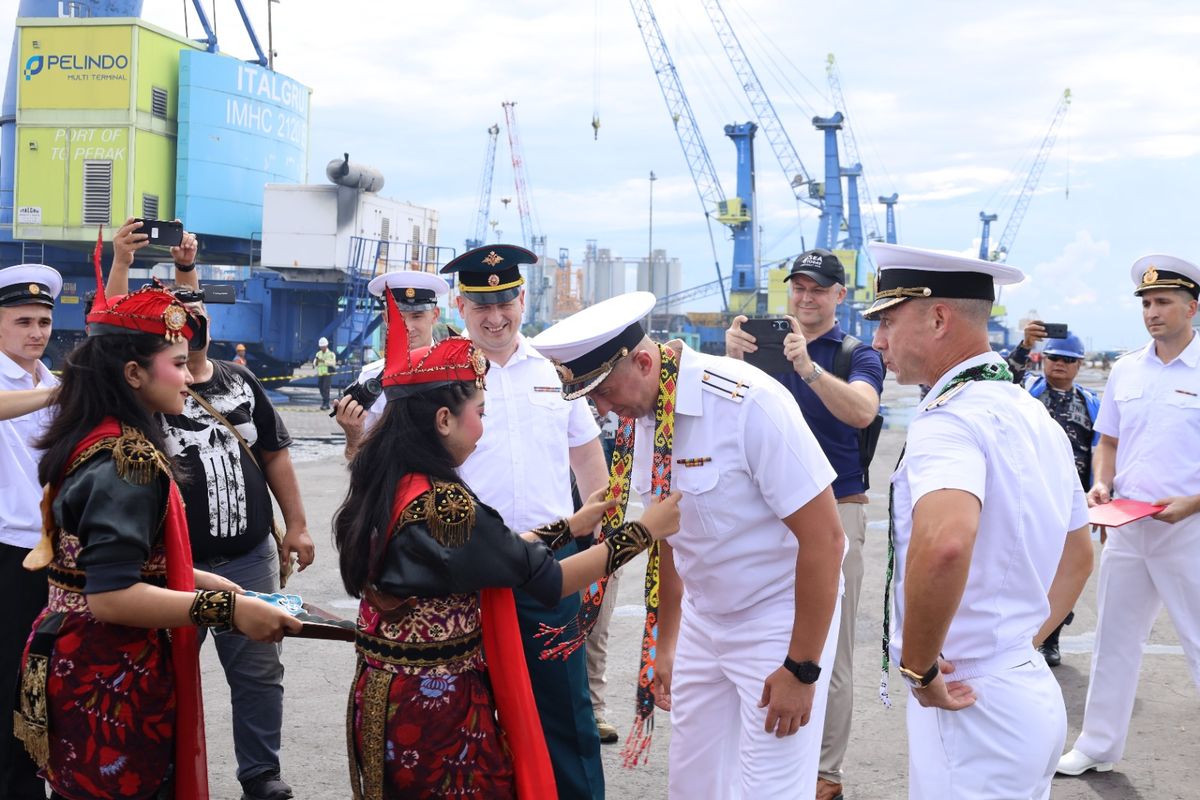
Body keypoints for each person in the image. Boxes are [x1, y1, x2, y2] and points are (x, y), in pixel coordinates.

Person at [331, 286, 680, 798]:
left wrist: (573, 523)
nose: (483, 424)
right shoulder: (448, 506)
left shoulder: (391, 483)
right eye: (479, 410)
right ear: (443, 420)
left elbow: (495, 548)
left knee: (561, 713)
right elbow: (545, 574)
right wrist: (644, 532)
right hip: (437, 710)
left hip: (390, 694)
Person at [532, 291, 845, 799]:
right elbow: (672, 536)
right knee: (693, 785)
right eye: (593, 399)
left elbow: (826, 539)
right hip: (705, 618)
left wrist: (801, 668)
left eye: (606, 393)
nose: (605, 410)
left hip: (777, 616)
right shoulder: (644, 416)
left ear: (642, 360)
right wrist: (668, 643)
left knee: (770, 787)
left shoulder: (746, 402)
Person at [14, 270, 300, 800]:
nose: (189, 379)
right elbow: (111, 595)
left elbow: (108, 566)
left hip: (80, 657)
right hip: (110, 670)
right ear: (133, 374)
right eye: (175, 364)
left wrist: (205, 580)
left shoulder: (96, 436)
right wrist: (226, 611)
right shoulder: (128, 462)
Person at [863, 242, 1092, 799]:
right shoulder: (1031, 414)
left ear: (938, 317)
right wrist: (1015, 646)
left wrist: (919, 668)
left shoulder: (949, 421)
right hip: (1022, 686)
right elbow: (1079, 556)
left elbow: (945, 542)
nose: (877, 340)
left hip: (967, 701)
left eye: (889, 321)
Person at [109, 218, 316, 800]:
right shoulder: (145, 393)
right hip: (173, 563)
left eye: (196, 320)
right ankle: (167, 773)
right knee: (163, 673)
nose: (190, 329)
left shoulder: (241, 382)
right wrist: (128, 266)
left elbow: (275, 456)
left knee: (257, 671)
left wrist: (296, 525)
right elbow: (112, 336)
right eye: (178, 323)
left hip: (248, 556)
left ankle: (261, 777)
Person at [441, 245, 611, 799]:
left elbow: (588, 458)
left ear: (521, 299)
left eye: (505, 301)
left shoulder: (554, 371)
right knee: (471, 704)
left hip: (548, 564)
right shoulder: (445, 375)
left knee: (564, 703)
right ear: (462, 306)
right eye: (481, 305)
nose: (495, 317)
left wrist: (599, 538)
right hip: (466, 563)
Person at [725, 248, 884, 800]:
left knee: (829, 648)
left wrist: (808, 369)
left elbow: (863, 411)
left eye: (819, 289)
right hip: (765, 511)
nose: (806, 297)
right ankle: (765, 750)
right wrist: (733, 365)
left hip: (837, 507)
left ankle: (826, 772)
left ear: (841, 296)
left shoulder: (854, 354)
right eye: (798, 287)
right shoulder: (754, 352)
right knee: (758, 634)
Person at [1057, 255, 1200, 778]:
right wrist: (1101, 483)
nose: (1152, 312)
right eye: (1146, 303)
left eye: (1163, 302)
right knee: (1113, 638)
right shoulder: (1125, 369)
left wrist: (1194, 502)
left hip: (1190, 528)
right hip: (1130, 524)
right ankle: (1097, 745)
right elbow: (1108, 441)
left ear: (1192, 306)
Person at [0, 264, 61, 800]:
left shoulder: (53, 382)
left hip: (52, 554)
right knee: (6, 684)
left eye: (43, 320)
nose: (37, 332)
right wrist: (55, 398)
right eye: (23, 320)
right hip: (4, 551)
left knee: (39, 680)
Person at [1008, 325, 1099, 666]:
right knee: (1026, 572)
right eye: (1053, 357)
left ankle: (1050, 639)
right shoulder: (1025, 391)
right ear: (1042, 360)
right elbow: (1002, 377)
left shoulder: (1090, 404)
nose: (1059, 364)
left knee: (1064, 571)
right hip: (1028, 498)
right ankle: (1023, 637)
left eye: (1067, 360)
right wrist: (1024, 346)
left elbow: (1102, 448)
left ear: (1078, 365)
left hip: (1070, 503)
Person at [336, 270, 449, 460]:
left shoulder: (458, 372)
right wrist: (353, 435)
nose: (408, 328)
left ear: (435, 315)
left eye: (417, 316)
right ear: (387, 318)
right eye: (399, 318)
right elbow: (357, 461)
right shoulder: (370, 379)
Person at [314, 336, 337, 409]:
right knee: (320, 387)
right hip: (320, 373)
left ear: (326, 345)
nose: (322, 348)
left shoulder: (331, 354)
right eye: (321, 346)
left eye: (323, 346)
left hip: (327, 373)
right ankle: (325, 402)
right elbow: (314, 363)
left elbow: (333, 362)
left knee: (325, 388)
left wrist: (323, 361)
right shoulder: (318, 354)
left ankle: (326, 403)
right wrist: (316, 362)